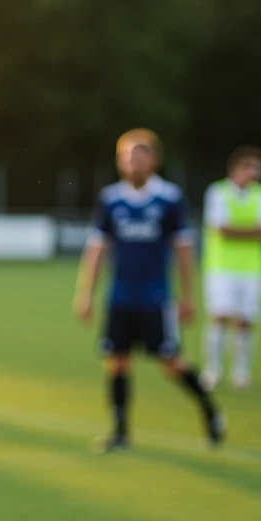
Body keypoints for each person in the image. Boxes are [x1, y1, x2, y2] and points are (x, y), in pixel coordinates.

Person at [74, 129, 224, 452]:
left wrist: (187, 296)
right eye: (125, 157)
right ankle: (120, 432)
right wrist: (85, 293)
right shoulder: (111, 199)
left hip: (155, 297)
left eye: (138, 157)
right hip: (119, 297)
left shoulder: (169, 198)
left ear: (153, 160)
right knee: (116, 360)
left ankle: (210, 412)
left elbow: (183, 251)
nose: (131, 163)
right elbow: (97, 250)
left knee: (171, 361)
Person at [201, 146, 261, 390]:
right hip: (221, 267)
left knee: (246, 320)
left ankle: (241, 372)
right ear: (237, 168)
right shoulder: (218, 192)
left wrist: (238, 231)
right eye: (252, 167)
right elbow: (221, 229)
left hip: (252, 268)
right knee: (219, 317)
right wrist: (254, 231)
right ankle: (212, 370)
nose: (256, 172)